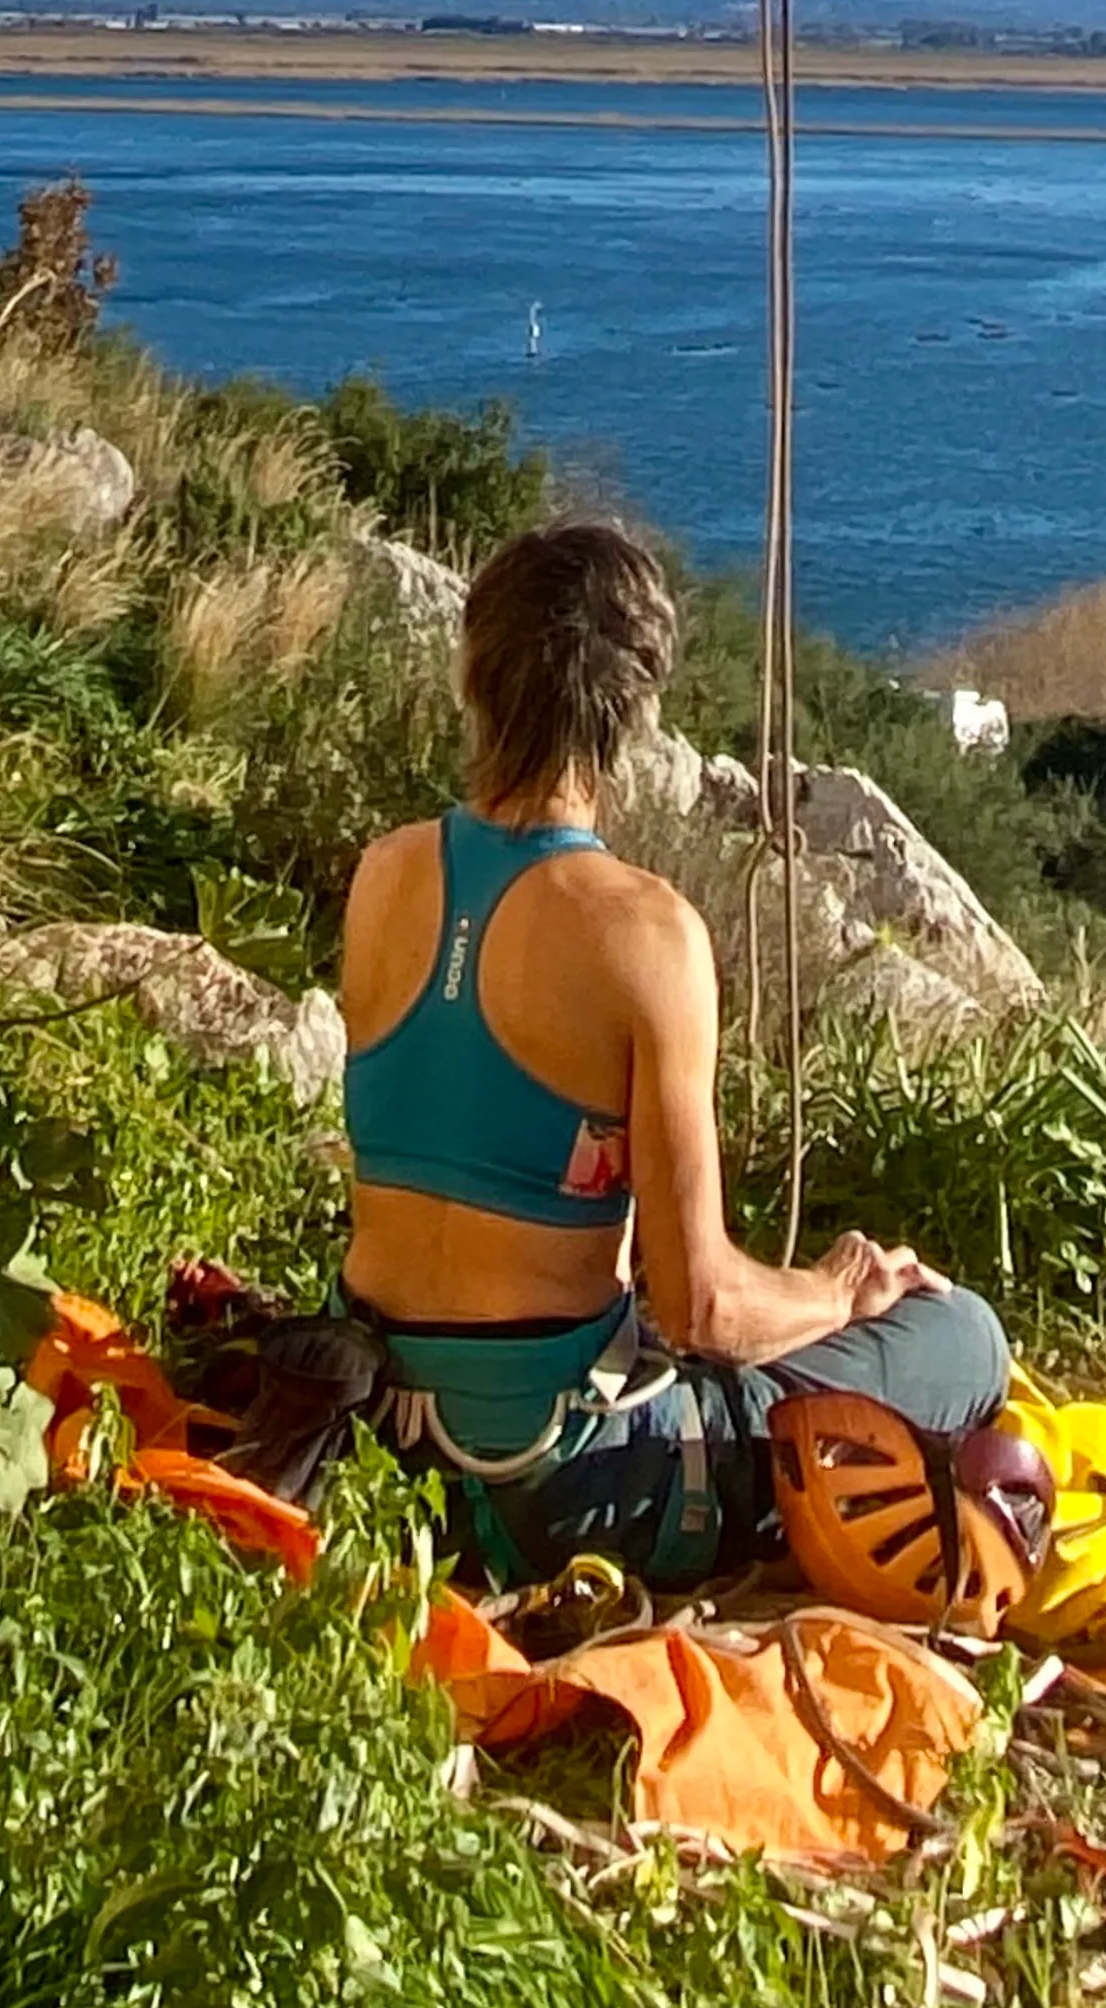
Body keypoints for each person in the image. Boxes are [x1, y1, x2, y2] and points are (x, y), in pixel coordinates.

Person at [340, 514, 1012, 1588]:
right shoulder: (647, 935)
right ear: (637, 710)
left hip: (374, 1443)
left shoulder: (383, 874)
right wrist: (842, 1290)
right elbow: (703, 1309)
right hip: (560, 1483)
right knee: (964, 1336)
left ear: (473, 671)